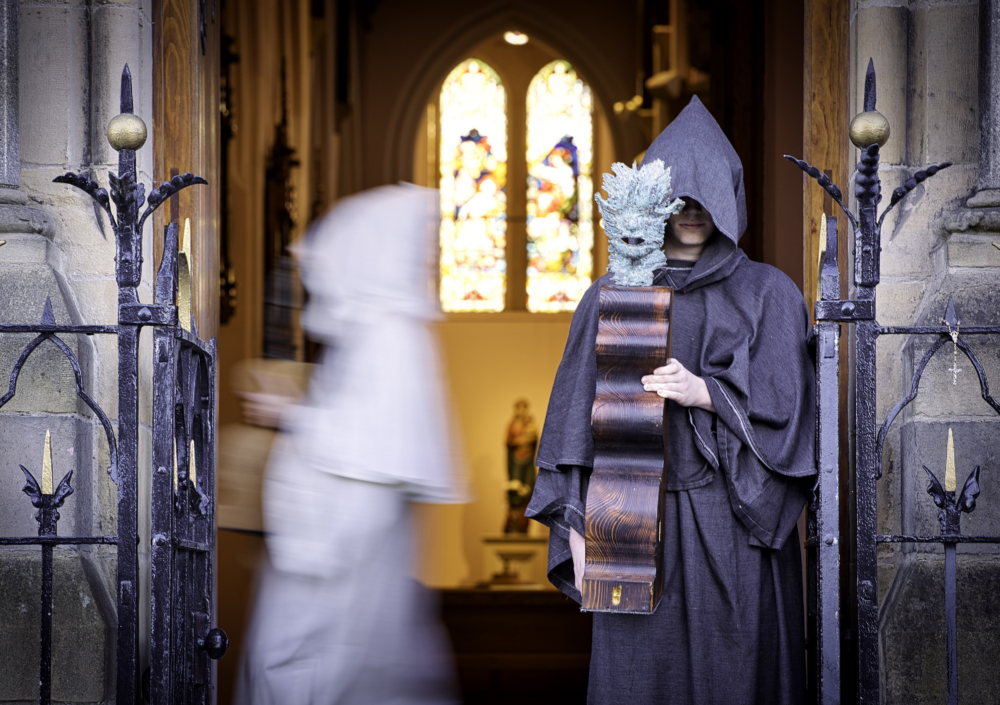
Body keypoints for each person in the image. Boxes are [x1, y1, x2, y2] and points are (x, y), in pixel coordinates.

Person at [525, 96, 816, 705]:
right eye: (678, 198)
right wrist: (577, 532)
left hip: (730, 523)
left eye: (704, 199)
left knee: (735, 676)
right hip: (630, 525)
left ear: (728, 198)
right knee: (639, 679)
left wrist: (706, 393)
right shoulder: (611, 294)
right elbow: (573, 421)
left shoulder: (768, 294)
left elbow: (792, 420)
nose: (690, 213)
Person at [236, 184, 466, 705]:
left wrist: (291, 413)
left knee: (312, 662)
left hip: (340, 549)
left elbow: (373, 449)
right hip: (334, 540)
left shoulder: (391, 336)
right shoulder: (372, 332)